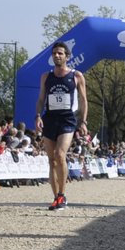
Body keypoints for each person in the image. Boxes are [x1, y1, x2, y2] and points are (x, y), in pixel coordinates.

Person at [36, 41, 86, 211]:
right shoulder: (45, 76)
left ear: (67, 56)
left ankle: (62, 195)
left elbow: (83, 100)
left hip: (67, 119)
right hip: (49, 118)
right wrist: (37, 116)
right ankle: (56, 197)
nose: (57, 56)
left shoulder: (76, 75)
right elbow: (41, 99)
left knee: (59, 154)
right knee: (51, 161)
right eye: (54, 53)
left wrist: (83, 121)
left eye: (60, 53)